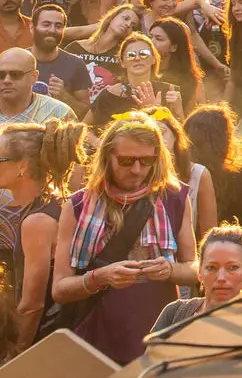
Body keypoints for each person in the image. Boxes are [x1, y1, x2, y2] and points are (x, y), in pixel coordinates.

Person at [48, 114, 198, 363]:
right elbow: (59, 289)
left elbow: (194, 269)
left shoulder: (175, 198)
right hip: (94, 339)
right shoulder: (78, 205)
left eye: (147, 160)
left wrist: (169, 269)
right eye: (127, 160)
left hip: (157, 337)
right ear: (107, 156)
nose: (137, 169)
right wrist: (99, 277)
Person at [0, 118, 73, 355]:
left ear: (22, 166)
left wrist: (14, 358)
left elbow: (32, 304)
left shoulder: (38, 221)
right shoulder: (51, 206)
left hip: (42, 342)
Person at [148, 224, 242, 335]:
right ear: (199, 271)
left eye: (232, 268)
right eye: (212, 268)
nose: (221, 278)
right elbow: (151, 352)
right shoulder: (174, 314)